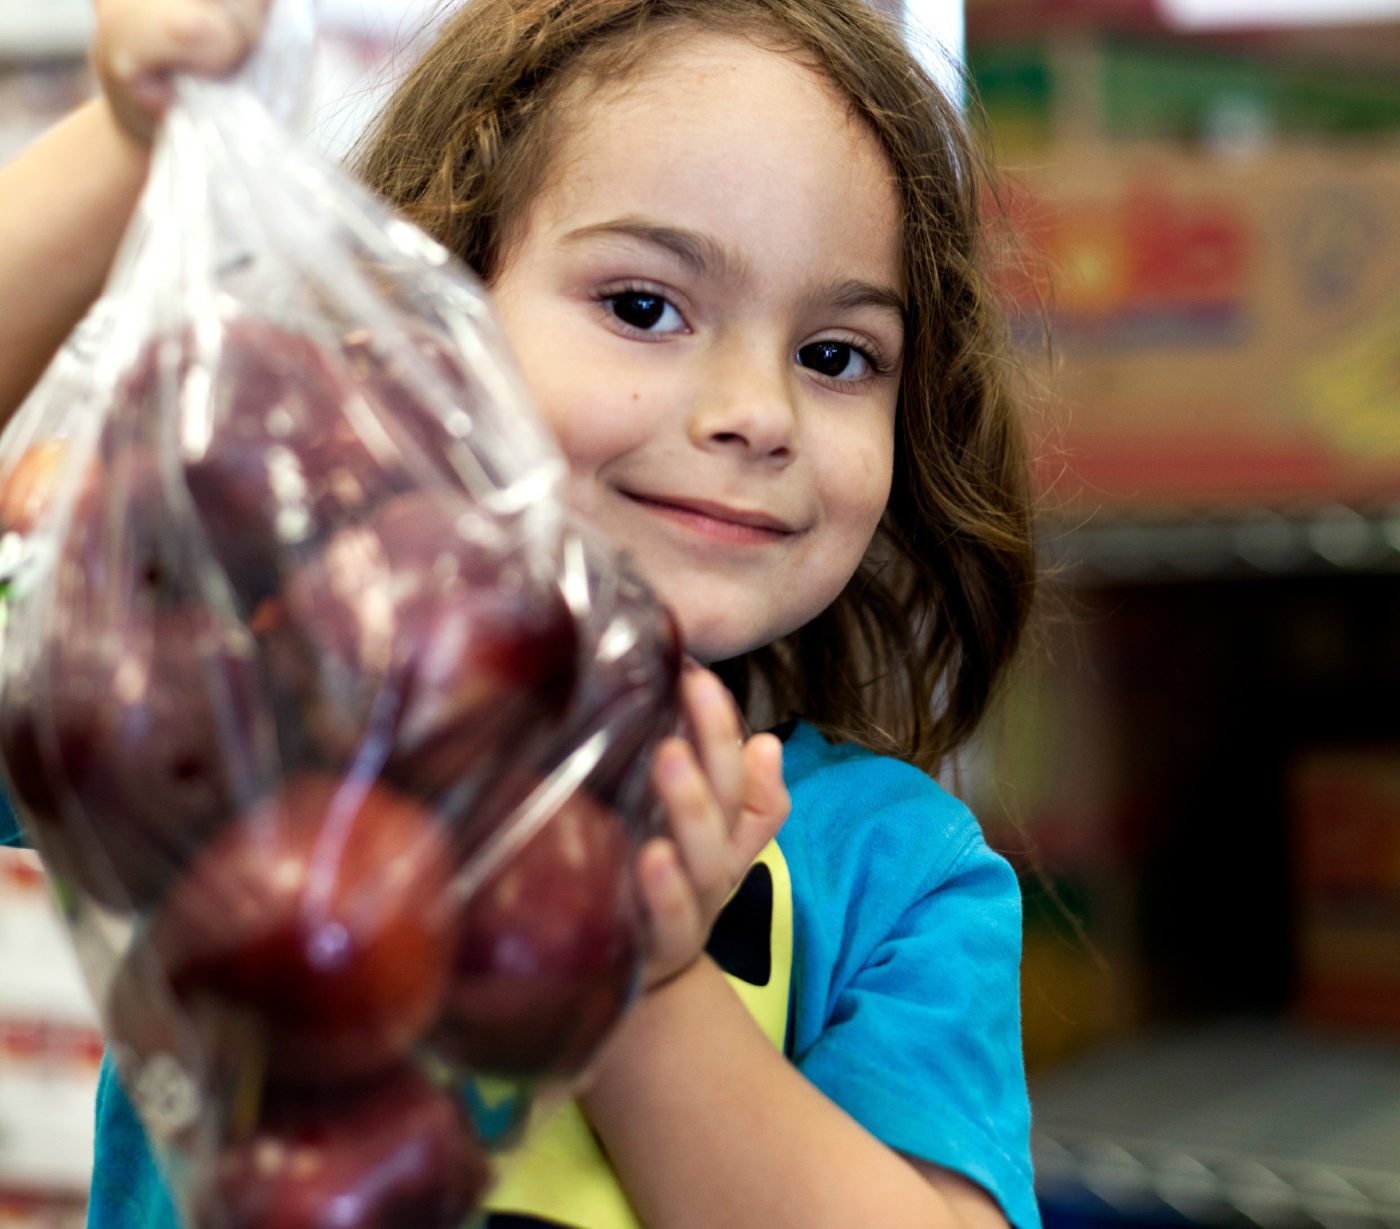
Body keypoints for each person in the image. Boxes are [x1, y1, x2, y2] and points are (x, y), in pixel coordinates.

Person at [0, 0, 1040, 1226]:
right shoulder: (256, 708)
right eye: (644, 306)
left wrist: (642, 981)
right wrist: (126, 141)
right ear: (419, 335)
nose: (759, 409)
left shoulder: (895, 870)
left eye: (834, 353)